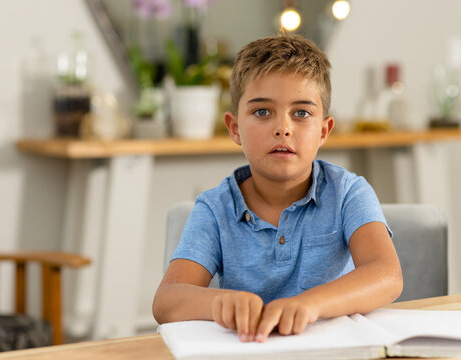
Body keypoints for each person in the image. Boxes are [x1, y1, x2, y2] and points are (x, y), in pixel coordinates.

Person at [152, 33, 403, 343]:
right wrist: (218, 302)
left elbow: (387, 276)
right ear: (234, 128)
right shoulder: (214, 209)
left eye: (301, 113)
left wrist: (310, 303)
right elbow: (166, 301)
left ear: (324, 130)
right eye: (262, 112)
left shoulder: (349, 193)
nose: (282, 127)